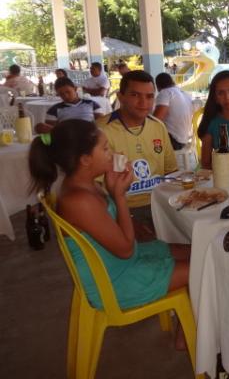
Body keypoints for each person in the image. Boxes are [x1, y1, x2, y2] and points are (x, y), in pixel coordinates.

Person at [28, 120, 190, 331]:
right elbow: (125, 249)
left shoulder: (87, 185)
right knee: (205, 267)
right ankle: (187, 337)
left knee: (196, 251)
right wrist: (120, 196)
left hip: (119, 264)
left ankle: (193, 324)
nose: (111, 152)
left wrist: (113, 191)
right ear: (85, 159)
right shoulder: (79, 201)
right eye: (105, 148)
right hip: (114, 282)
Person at [97, 70, 177, 233]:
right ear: (120, 97)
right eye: (135, 95)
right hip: (123, 209)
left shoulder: (158, 126)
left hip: (160, 204)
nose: (143, 103)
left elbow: (171, 171)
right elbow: (94, 186)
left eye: (149, 97)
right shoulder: (101, 130)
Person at [34, 77, 103, 134]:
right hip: (67, 137)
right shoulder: (53, 110)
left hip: (89, 135)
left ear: (75, 89)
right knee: (39, 127)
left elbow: (102, 122)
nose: (66, 96)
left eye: (68, 92)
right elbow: (50, 131)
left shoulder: (92, 104)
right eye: (61, 94)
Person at [154, 72, 194, 150]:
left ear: (158, 85)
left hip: (174, 141)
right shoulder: (185, 94)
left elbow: (156, 120)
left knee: (142, 137)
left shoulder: (165, 93)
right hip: (185, 139)